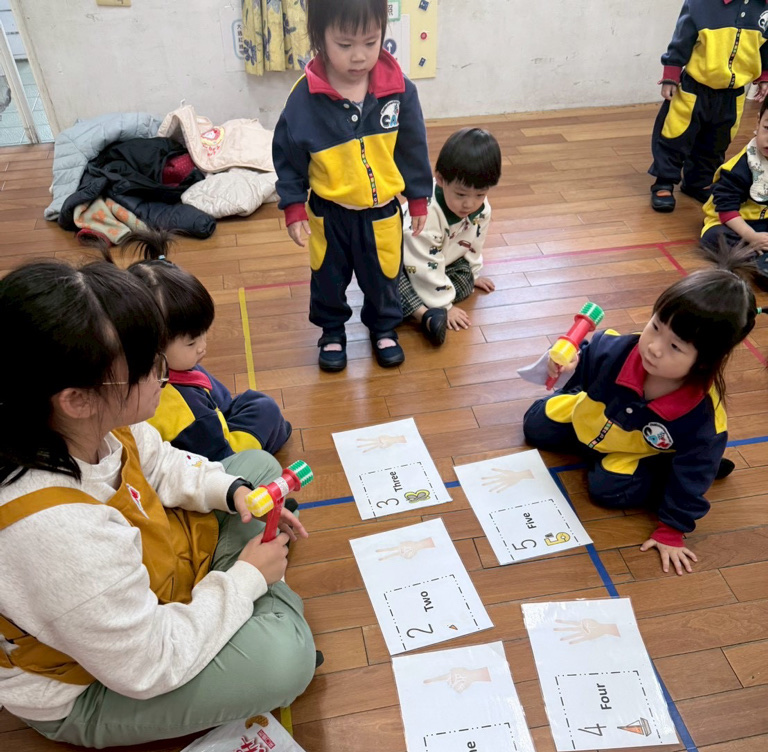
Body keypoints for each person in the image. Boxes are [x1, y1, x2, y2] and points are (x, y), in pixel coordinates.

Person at [0, 258, 318, 748]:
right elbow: (149, 663)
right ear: (77, 399)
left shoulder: (89, 422)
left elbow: (162, 462)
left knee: (254, 469)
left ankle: (251, 593)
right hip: (90, 684)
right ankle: (263, 597)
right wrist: (249, 577)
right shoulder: (56, 531)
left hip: (151, 580)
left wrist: (229, 491)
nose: (164, 376)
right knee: (285, 662)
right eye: (148, 367)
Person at [522, 263, 752, 575]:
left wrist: (672, 529)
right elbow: (583, 362)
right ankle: (591, 443)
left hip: (630, 451)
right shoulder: (616, 349)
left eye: (675, 346)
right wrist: (567, 365)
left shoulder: (703, 418)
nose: (654, 348)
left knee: (607, 491)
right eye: (655, 326)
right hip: (586, 419)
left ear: (704, 362)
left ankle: (662, 468)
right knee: (536, 426)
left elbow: (694, 474)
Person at [272, 0, 432, 372]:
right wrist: (293, 205)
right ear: (320, 37)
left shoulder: (399, 90)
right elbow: (288, 155)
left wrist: (418, 197)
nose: (359, 56)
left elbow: (413, 146)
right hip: (330, 214)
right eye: (344, 45)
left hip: (381, 213)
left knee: (383, 277)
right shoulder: (304, 99)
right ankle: (331, 331)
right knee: (327, 278)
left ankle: (384, 328)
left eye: (370, 42)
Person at [121, 232, 291, 461]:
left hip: (210, 420)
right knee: (266, 410)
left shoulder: (164, 368)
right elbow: (220, 461)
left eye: (204, 334)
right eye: (191, 342)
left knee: (255, 403)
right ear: (151, 345)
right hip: (217, 455)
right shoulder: (182, 408)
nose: (203, 346)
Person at [648, 0, 768, 213]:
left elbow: (766, 48)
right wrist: (671, 74)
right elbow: (682, 37)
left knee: (716, 142)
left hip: (733, 93)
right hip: (695, 87)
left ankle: (698, 182)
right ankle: (664, 181)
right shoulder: (702, 3)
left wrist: (764, 76)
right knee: (676, 134)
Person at [399, 128, 502, 347]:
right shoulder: (426, 216)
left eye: (480, 194)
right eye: (461, 194)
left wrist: (474, 273)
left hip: (442, 261)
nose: (469, 204)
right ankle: (423, 313)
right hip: (406, 264)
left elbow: (475, 242)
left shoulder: (481, 209)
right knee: (388, 284)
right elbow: (422, 264)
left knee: (465, 282)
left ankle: (420, 307)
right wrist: (446, 306)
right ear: (440, 179)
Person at [700, 93, 768, 274]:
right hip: (733, 222)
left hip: (764, 221)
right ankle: (753, 255)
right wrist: (751, 236)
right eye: (767, 128)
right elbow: (726, 210)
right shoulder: (740, 167)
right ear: (758, 121)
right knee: (714, 237)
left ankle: (757, 251)